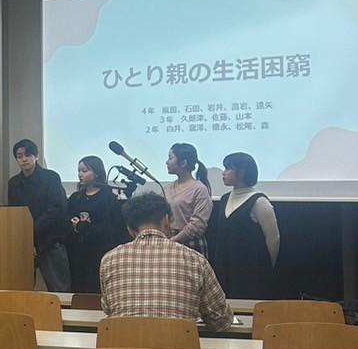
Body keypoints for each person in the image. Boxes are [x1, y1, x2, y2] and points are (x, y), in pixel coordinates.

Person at [100, 190, 232, 332]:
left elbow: (108, 308)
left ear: (130, 230)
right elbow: (221, 320)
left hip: (122, 345)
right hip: (179, 346)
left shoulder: (109, 260)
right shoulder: (195, 260)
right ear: (166, 221)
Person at [209, 151, 280, 298]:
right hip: (224, 269)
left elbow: (273, 238)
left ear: (241, 173)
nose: (223, 173)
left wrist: (266, 268)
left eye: (228, 169)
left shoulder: (259, 202)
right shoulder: (224, 199)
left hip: (250, 272)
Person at [6, 138, 70, 291]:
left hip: (51, 240)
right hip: (25, 243)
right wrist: (28, 240)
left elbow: (56, 209)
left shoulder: (51, 177)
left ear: (36, 156)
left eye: (28, 155)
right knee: (21, 288)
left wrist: (32, 232)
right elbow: (14, 214)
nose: (24, 159)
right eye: (19, 156)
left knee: (60, 289)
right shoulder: (13, 183)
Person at [66, 155, 126, 293]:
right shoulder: (76, 197)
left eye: (85, 171)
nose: (80, 174)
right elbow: (67, 221)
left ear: (97, 173)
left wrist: (83, 227)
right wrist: (76, 227)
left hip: (100, 251)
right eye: (79, 171)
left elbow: (110, 226)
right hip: (78, 252)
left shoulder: (107, 197)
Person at [165, 142, 212, 251]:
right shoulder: (167, 188)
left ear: (183, 163)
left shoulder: (199, 189)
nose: (166, 162)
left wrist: (173, 240)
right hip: (168, 240)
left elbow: (198, 224)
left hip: (190, 243)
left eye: (170, 158)